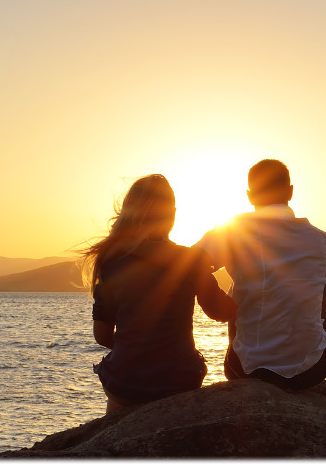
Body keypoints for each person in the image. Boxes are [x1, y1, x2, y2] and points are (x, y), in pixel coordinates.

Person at [81, 174, 236, 413]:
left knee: (119, 403)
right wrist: (234, 278)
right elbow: (221, 312)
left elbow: (102, 336)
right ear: (172, 214)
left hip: (124, 384)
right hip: (179, 381)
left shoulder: (111, 262)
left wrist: (136, 350)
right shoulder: (192, 260)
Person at [195, 159, 326, 390]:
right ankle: (305, 348)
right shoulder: (319, 238)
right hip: (308, 373)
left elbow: (188, 265)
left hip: (244, 370)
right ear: (290, 192)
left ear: (249, 196)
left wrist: (215, 304)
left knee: (235, 287)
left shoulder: (232, 231)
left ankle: (254, 349)